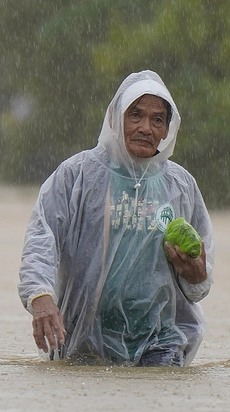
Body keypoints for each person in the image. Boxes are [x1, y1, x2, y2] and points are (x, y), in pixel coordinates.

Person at [18, 70, 215, 367]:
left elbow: (201, 272)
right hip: (82, 336)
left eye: (157, 119)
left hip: (161, 341)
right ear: (114, 118)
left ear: (167, 131)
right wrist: (40, 297)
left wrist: (198, 275)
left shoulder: (180, 186)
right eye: (135, 115)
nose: (146, 128)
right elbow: (41, 237)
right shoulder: (77, 175)